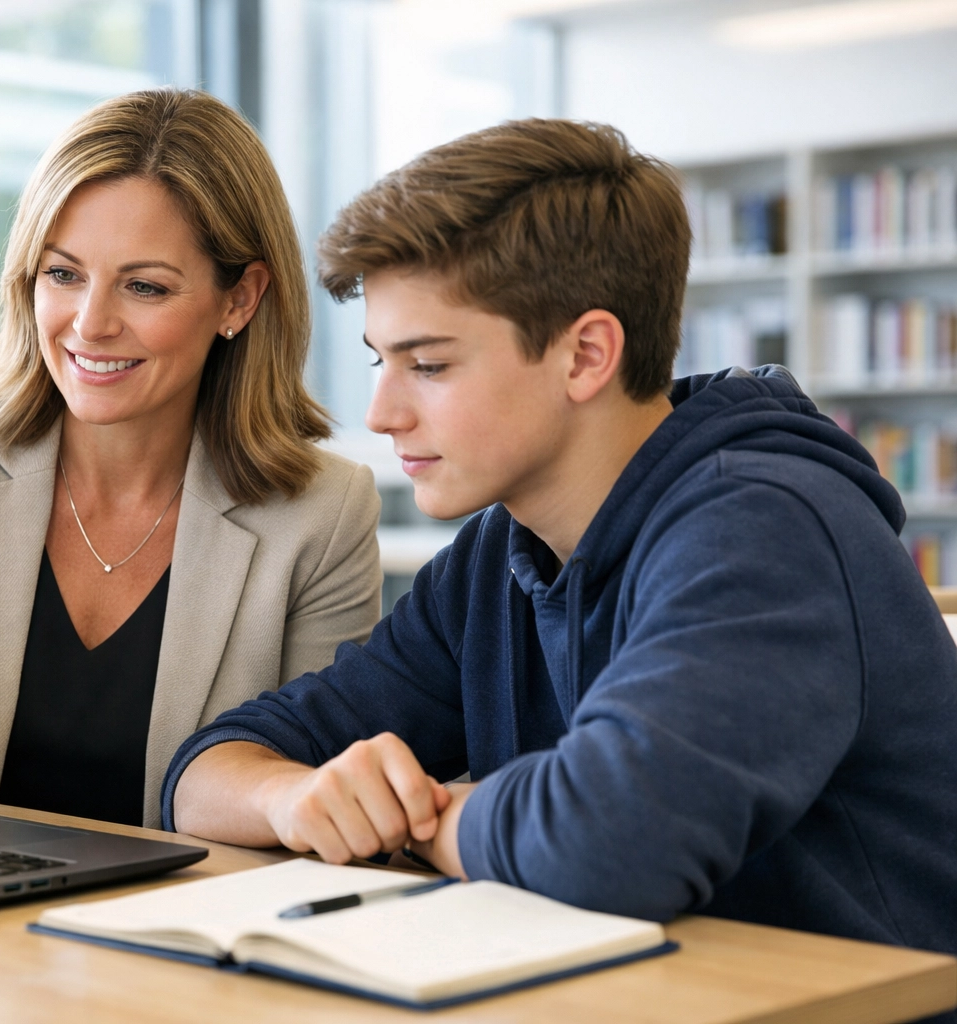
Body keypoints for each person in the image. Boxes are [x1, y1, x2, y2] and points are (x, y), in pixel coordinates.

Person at [163, 118, 957, 956]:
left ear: (586, 355)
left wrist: (425, 819)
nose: (381, 414)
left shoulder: (764, 527)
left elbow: (613, 841)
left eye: (428, 365)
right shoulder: (499, 553)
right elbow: (207, 771)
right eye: (380, 362)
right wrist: (292, 798)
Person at [0, 88, 382, 829]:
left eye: (144, 286)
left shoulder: (322, 513)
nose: (91, 325)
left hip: (162, 925)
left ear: (240, 299)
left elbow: (314, 790)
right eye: (63, 274)